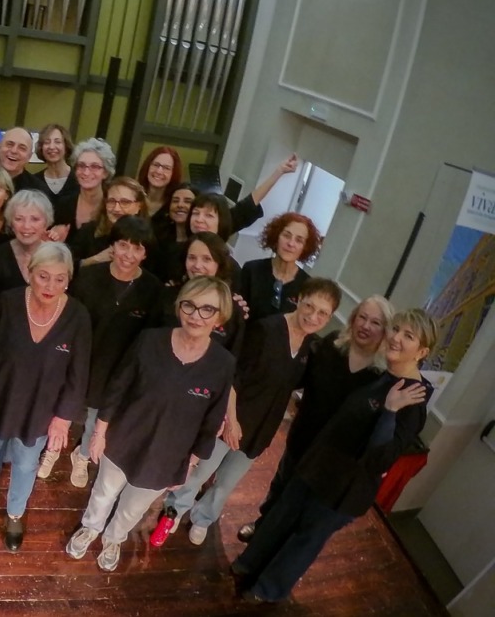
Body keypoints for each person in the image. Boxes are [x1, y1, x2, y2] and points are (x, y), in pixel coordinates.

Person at [233, 309, 434, 603]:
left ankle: (267, 590)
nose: (396, 338)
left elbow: (380, 460)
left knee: (305, 539)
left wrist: (390, 412)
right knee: (281, 517)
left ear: (423, 351)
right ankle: (249, 564)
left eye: (409, 336)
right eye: (396, 330)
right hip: (318, 466)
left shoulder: (412, 400)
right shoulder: (384, 377)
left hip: (343, 489)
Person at [65, 276, 235, 572]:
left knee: (134, 506)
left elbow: (211, 422)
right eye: (189, 306)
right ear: (179, 307)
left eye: (207, 309)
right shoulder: (150, 339)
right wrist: (99, 433)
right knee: (104, 492)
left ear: (220, 317)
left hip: (168, 456)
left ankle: (114, 538)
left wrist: (190, 465)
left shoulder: (223, 364)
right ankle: (90, 528)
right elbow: (119, 386)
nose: (196, 315)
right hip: (124, 437)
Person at [157, 278, 341, 547]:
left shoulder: (310, 348)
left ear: (330, 317)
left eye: (322, 313)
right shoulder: (266, 330)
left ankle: (203, 518)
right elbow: (233, 376)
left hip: (261, 430)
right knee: (199, 473)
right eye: (310, 306)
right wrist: (231, 420)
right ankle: (174, 511)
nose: (313, 316)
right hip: (230, 421)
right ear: (299, 299)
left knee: (225, 484)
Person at [238, 294, 394, 542]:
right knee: (281, 487)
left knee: (302, 505)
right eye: (362, 317)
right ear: (352, 320)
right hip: (303, 437)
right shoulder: (332, 345)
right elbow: (298, 375)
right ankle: (262, 527)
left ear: (385, 330)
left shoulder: (381, 376)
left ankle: (276, 543)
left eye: (375, 322)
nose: (365, 326)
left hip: (333, 456)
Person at [0, 242, 90, 551]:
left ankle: (15, 512)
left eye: (60, 279)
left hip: (41, 407)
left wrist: (63, 419)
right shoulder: (8, 302)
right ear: (30, 272)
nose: (50, 286)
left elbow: (78, 374)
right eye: (43, 276)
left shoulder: (77, 315)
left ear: (68, 279)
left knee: (25, 462)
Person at [44, 216, 161, 484]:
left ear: (145, 253)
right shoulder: (88, 277)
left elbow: (149, 337)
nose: (128, 254)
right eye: (123, 245)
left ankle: (82, 456)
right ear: (112, 246)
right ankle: (50, 449)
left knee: (97, 420)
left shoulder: (152, 288)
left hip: (116, 370)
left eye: (137, 248)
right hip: (78, 361)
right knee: (59, 409)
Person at [153, 232, 245, 352]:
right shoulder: (167, 295)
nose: (197, 265)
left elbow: (234, 354)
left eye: (207, 259)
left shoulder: (232, 307)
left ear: (219, 264)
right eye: (192, 258)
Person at [238, 212, 322, 320]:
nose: (291, 244)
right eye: (286, 236)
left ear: (305, 248)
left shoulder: (308, 286)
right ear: (276, 237)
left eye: (299, 240)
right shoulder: (252, 269)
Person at [0, 189, 54, 295]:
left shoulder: (57, 257)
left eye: (35, 219)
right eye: (19, 219)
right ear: (11, 222)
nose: (26, 226)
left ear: (46, 222)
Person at [70, 176, 149, 266]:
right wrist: (95, 259)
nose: (116, 208)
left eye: (125, 202)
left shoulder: (148, 239)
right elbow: (67, 266)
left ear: (139, 206)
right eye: (111, 201)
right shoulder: (88, 231)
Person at [31, 123, 76, 240]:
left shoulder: (79, 179)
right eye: (46, 142)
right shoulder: (33, 182)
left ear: (66, 146)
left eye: (57, 142)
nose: (52, 147)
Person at [150, 182, 197, 283]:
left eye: (187, 201)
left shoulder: (199, 243)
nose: (180, 205)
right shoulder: (157, 237)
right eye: (175, 201)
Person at [67, 138, 115, 232]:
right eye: (81, 165)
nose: (86, 172)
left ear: (105, 172)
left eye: (95, 166)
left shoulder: (113, 206)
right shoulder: (63, 204)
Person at [137, 146, 183, 219]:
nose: (159, 171)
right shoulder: (133, 197)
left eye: (166, 168)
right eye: (156, 165)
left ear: (174, 173)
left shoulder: (174, 206)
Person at [0, 127, 39, 192]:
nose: (14, 151)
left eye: (22, 148)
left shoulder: (37, 190)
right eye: (10, 144)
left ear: (29, 156)